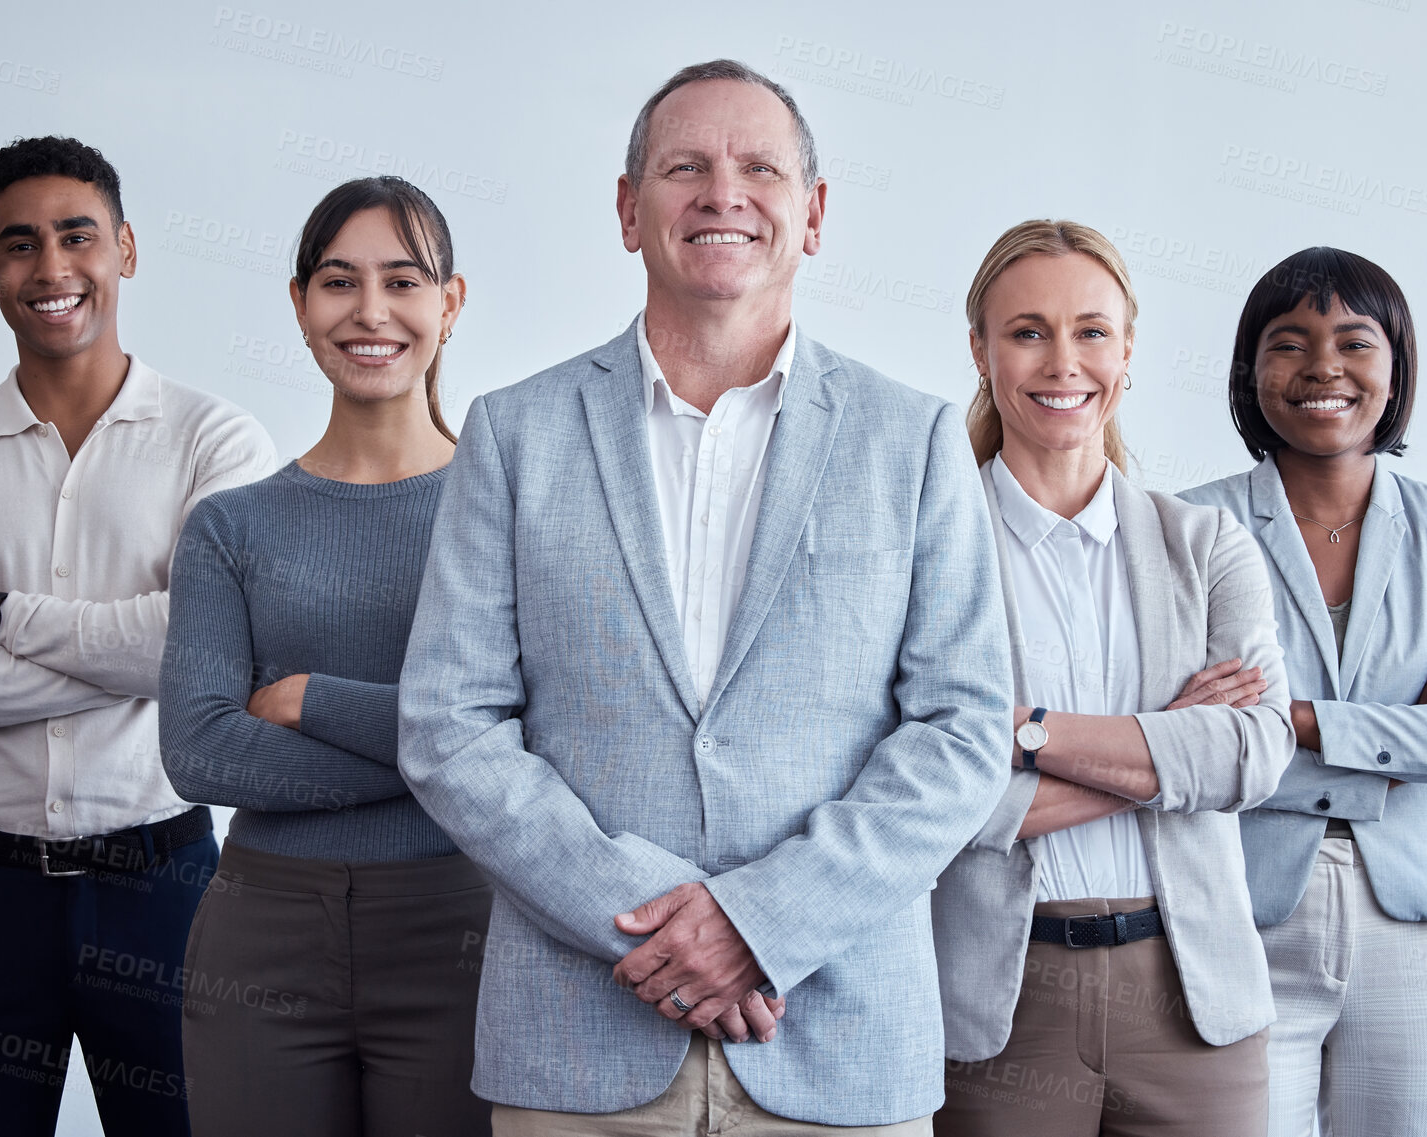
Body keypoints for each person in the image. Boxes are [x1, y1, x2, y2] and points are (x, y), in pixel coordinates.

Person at [396, 59, 1012, 1134]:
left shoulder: (911, 441)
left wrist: (761, 921)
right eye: (685, 167)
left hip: (840, 1042)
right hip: (578, 1042)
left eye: (758, 168)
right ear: (630, 211)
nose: (722, 194)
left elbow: (961, 734)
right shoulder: (515, 434)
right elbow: (450, 728)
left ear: (811, 215)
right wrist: (639, 920)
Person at [0, 136, 276, 1136]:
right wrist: (153, 662)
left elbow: (220, 643)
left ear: (124, 250)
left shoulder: (216, 442)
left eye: (76, 236)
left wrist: (6, 625)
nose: (49, 269)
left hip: (166, 894)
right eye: (19, 244)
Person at [931, 220, 1292, 1136]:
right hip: (998, 1006)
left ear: (1127, 350)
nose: (1064, 361)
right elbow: (925, 794)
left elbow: (1252, 756)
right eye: (1027, 331)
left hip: (1191, 1001)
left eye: (1092, 330)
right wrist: (1167, 741)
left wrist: (1025, 733)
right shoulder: (925, 550)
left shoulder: (1207, 545)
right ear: (980, 350)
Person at [159, 176, 490, 1136]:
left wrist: (312, 698)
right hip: (263, 938)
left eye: (402, 280)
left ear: (450, 303)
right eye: (340, 282)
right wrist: (445, 753)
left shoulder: (503, 513)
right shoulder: (230, 525)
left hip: (457, 926)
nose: (371, 311)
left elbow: (543, 733)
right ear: (300, 305)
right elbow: (202, 753)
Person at [1182, 247, 1427, 1137]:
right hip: (1241, 918)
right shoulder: (1189, 526)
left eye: (1354, 341)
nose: (1323, 368)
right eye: (1289, 343)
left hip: (1409, 923)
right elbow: (1186, 742)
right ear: (1249, 370)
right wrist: (1412, 733)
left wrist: (1292, 720)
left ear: (1396, 364)